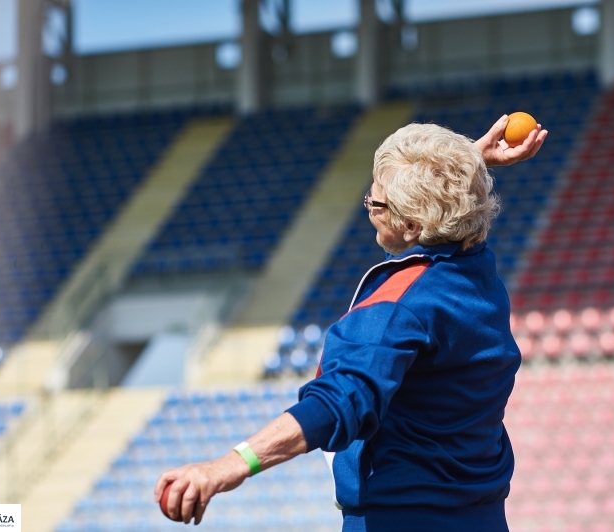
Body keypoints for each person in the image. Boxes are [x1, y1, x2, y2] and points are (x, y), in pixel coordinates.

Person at [154, 115, 547, 531]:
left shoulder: (400, 307)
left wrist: (228, 466)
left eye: (377, 203)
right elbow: (452, 211)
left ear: (412, 225)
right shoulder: (477, 270)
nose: (370, 204)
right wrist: (464, 164)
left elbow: (337, 402)